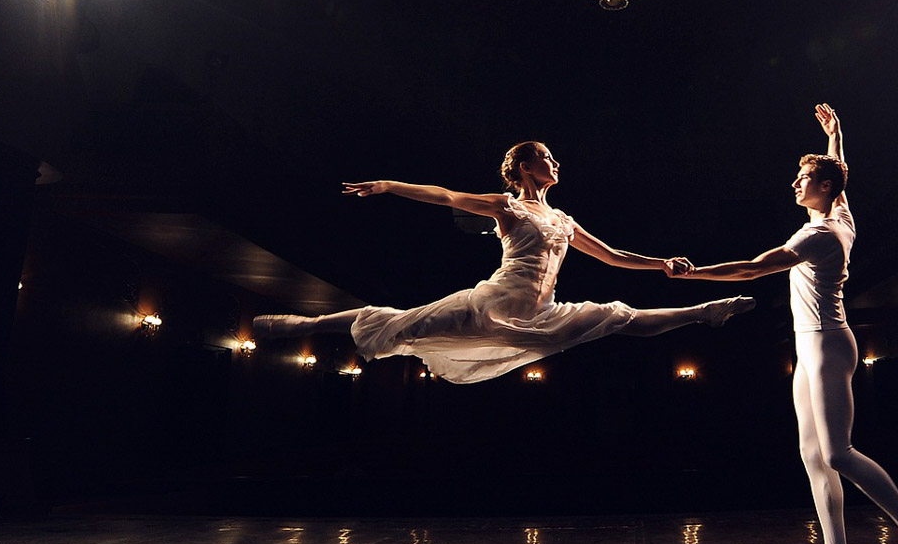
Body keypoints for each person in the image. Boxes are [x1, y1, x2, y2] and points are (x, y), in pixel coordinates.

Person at [667, 103, 898, 544]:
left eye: (805, 177)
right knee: (812, 456)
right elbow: (843, 178)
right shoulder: (841, 213)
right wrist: (835, 138)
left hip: (829, 347)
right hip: (809, 349)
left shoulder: (821, 233)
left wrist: (695, 274)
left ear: (824, 189)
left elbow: (753, 268)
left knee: (837, 454)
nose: (796, 183)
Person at [253, 141, 754, 384]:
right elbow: (447, 196)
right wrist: (387, 185)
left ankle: (706, 311)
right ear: (523, 167)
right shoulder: (507, 206)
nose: (556, 164)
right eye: (548, 158)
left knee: (618, 317)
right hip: (491, 303)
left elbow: (612, 256)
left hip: (541, 311)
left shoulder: (563, 218)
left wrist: (660, 262)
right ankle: (308, 322)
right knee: (395, 323)